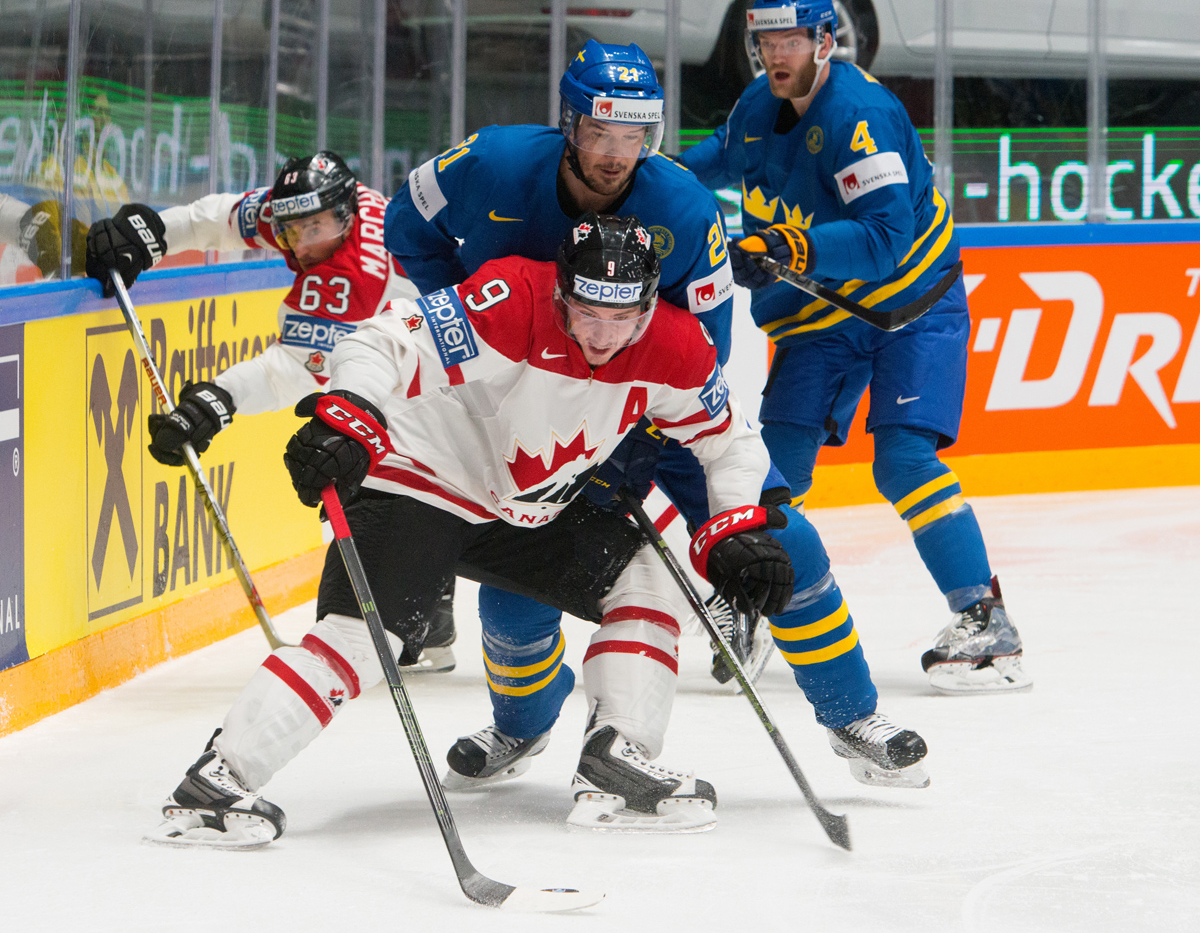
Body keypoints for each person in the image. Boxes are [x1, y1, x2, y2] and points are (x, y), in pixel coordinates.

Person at [149, 213, 795, 844]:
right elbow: (380, 340)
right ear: (562, 292)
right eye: (588, 314)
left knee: (655, 577)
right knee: (365, 639)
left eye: (621, 318)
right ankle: (221, 775)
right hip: (421, 476)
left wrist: (739, 527)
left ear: (648, 308)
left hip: (525, 510)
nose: (601, 336)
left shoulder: (674, 346)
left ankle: (619, 752)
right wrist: (349, 413)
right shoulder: (514, 297)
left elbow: (730, 441)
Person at [385, 41, 930, 780]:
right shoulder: (493, 161)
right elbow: (406, 228)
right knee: (519, 588)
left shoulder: (683, 207)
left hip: (647, 404)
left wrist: (633, 442)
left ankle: (850, 711)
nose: (617, 155)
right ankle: (521, 725)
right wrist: (477, 332)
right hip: (527, 400)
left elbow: (705, 349)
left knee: (781, 540)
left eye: (635, 137)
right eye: (602, 134)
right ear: (569, 124)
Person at [680, 0, 1031, 695]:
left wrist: (785, 248)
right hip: (819, 319)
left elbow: (884, 240)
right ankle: (755, 604)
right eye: (764, 42)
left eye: (789, 41)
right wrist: (647, 181)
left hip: (911, 309)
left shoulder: (860, 112)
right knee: (771, 471)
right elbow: (717, 157)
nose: (775, 55)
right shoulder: (758, 103)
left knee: (902, 459)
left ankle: (985, 619)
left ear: (823, 42)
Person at [83, 152, 456, 672]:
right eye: (292, 229)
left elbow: (298, 372)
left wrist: (219, 399)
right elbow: (221, 217)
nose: (302, 243)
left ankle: (419, 614)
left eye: (315, 229)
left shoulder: (355, 275)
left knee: (378, 470)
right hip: (409, 348)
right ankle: (427, 613)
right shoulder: (308, 211)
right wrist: (154, 232)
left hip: (437, 371)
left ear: (346, 216)